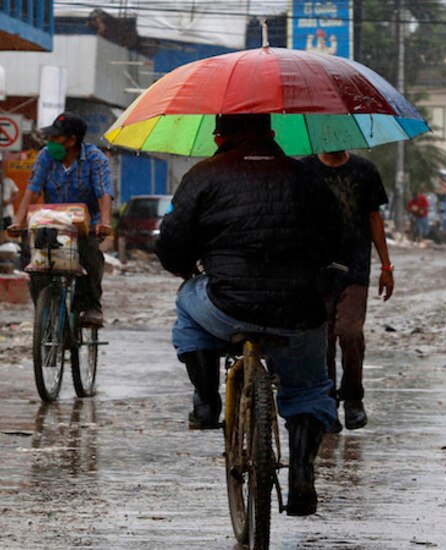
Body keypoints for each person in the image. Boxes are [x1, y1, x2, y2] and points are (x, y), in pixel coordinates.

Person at [155, 113, 342, 516]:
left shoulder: (203, 175)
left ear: (218, 137)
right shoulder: (307, 177)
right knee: (310, 389)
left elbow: (171, 245)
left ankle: (206, 402)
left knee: (187, 304)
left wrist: (186, 268)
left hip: (228, 306)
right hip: (299, 310)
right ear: (272, 134)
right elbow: (337, 240)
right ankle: (302, 474)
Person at [300, 150, 394, 433]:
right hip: (316, 270)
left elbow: (374, 219)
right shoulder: (304, 170)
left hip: (354, 269)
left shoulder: (365, 170)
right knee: (323, 340)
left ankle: (353, 398)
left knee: (350, 332)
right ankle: (328, 402)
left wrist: (386, 266)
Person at [8, 112, 113, 326]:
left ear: (71, 140)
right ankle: (44, 308)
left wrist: (104, 222)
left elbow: (103, 193)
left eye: (56, 137)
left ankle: (92, 306)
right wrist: (18, 221)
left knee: (90, 254)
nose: (51, 142)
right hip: (51, 221)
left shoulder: (94, 158)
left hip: (86, 224)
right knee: (34, 259)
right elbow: (32, 190)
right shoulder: (45, 156)